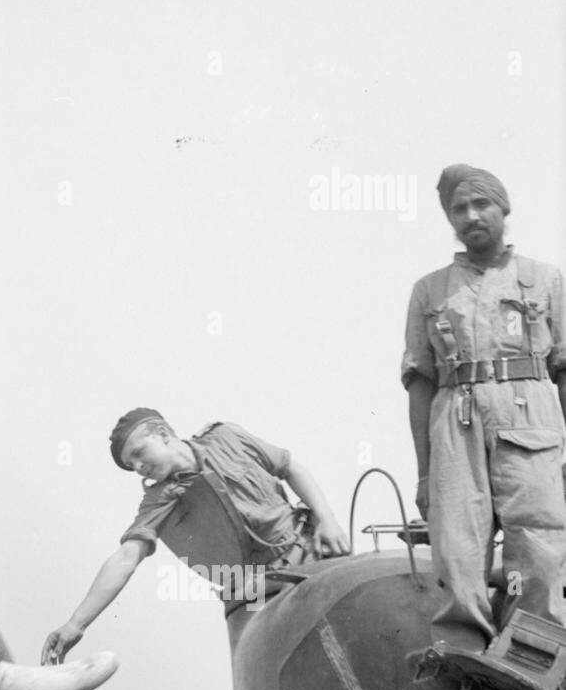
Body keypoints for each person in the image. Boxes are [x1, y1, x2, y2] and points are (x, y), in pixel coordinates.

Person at [402, 164, 566, 655]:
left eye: (482, 204)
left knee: (538, 546)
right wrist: (425, 474)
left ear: (503, 208)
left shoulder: (546, 279)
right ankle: (465, 657)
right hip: (455, 422)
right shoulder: (429, 291)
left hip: (531, 418)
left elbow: (563, 369)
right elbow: (419, 382)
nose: (471, 216)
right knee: (455, 548)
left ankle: (533, 660)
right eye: (459, 209)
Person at [40, 409, 350, 664]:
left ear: (163, 433)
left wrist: (327, 519)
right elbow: (126, 557)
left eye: (138, 453)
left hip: (310, 558)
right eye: (131, 465)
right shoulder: (159, 500)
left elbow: (288, 466)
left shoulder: (227, 438)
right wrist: (75, 624)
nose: (138, 467)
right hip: (258, 599)